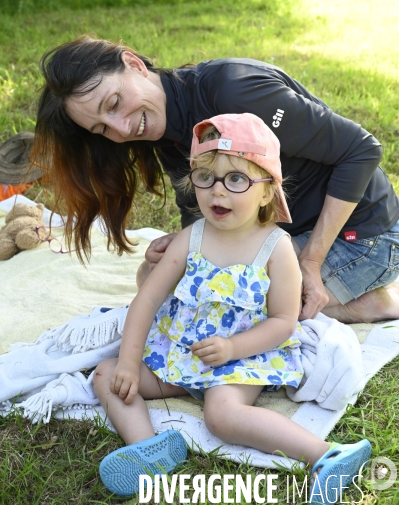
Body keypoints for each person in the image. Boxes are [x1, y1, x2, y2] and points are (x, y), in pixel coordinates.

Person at [93, 113, 371, 501]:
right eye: (205, 177)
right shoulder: (193, 236)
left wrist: (232, 349)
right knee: (107, 375)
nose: (216, 192)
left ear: (267, 190)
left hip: (241, 357)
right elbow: (149, 298)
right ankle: (149, 448)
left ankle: (326, 457)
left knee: (221, 416)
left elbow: (283, 322)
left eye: (236, 179)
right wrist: (128, 360)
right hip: (181, 351)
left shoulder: (275, 248)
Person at [32, 36, 399, 323]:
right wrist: (181, 243)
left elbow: (361, 150)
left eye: (113, 104)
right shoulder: (166, 133)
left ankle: (366, 303)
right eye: (102, 129)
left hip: (364, 236)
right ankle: (338, 292)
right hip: (286, 235)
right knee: (159, 281)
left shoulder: (233, 89)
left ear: (133, 63)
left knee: (225, 313)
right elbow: (202, 210)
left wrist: (312, 263)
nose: (122, 129)